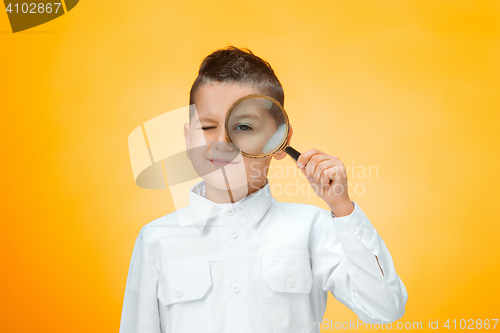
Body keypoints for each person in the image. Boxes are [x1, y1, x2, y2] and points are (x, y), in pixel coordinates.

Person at [119, 46, 408, 333]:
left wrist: (343, 208)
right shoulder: (156, 239)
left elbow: (385, 307)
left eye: (243, 127)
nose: (222, 142)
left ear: (279, 139)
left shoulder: (312, 229)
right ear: (187, 138)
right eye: (207, 127)